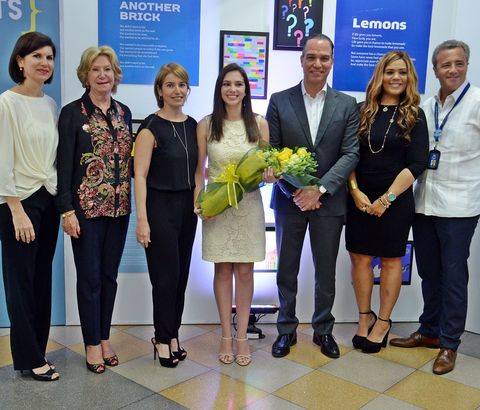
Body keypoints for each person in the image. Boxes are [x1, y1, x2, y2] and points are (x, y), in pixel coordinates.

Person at [389, 40, 480, 374]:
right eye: (446, 65)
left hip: (460, 208)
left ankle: (449, 344)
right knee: (428, 272)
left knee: (453, 276)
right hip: (425, 203)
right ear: (435, 70)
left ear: (467, 65)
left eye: (459, 64)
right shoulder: (427, 105)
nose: (453, 70)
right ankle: (429, 331)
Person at [266, 34, 360, 359]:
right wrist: (296, 191)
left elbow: (350, 153)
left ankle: (323, 332)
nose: (317, 64)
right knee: (286, 268)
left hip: (329, 202)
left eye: (324, 58)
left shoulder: (347, 105)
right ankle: (286, 331)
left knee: (326, 272)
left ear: (332, 61)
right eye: (311, 57)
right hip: (289, 201)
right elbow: (273, 153)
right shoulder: (279, 100)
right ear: (301, 59)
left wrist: (318, 189)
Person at [56, 46, 133, 374]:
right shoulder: (73, 113)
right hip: (85, 210)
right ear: (85, 75)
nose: (103, 75)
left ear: (116, 75)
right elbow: (63, 165)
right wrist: (66, 210)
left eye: (109, 69)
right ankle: (90, 343)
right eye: (96, 69)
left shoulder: (124, 112)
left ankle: (104, 337)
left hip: (119, 209)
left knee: (109, 277)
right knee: (89, 279)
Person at [345, 51, 428, 354]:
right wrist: (354, 191)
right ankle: (364, 317)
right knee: (360, 258)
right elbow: (348, 155)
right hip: (360, 199)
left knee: (392, 260)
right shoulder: (360, 110)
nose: (396, 78)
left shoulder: (415, 116)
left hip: (395, 200)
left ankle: (383, 322)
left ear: (410, 78)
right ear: (381, 75)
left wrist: (387, 199)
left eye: (402, 73)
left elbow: (417, 163)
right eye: (391, 71)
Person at [0, 32, 60, 381]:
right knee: (21, 284)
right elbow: (0, 161)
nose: (44, 63)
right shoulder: (6, 103)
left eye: (49, 57)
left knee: (41, 281)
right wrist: (16, 210)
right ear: (20, 61)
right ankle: (30, 359)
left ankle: (38, 351)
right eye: (36, 57)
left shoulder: (49, 104)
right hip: (16, 203)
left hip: (46, 199)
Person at [194, 63, 271, 366]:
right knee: (222, 271)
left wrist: (271, 174)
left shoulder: (259, 123)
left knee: (246, 271)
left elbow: (268, 166)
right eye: (227, 84)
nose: (233, 90)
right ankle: (225, 335)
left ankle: (242, 337)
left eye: (238, 84)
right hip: (217, 206)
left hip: (248, 205)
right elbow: (199, 170)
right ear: (219, 88)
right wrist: (200, 203)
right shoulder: (207, 124)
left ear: (246, 90)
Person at [134, 63, 198, 368]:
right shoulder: (149, 128)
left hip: (188, 210)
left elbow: (198, 172)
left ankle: (173, 334)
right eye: (170, 85)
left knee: (181, 276)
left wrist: (200, 203)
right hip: (159, 209)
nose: (177, 91)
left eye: (182, 85)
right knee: (165, 278)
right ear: (160, 90)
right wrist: (143, 220)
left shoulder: (193, 125)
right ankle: (161, 339)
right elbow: (140, 176)